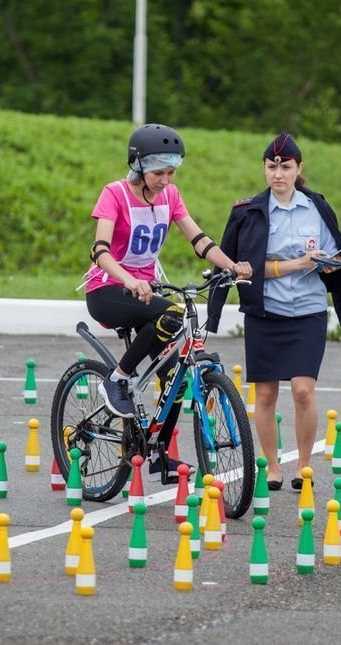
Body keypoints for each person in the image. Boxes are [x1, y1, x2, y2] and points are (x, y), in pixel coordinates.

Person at [84, 124, 252, 476]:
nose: (165, 180)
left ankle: (158, 453)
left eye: (171, 172)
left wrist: (231, 266)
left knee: (174, 371)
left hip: (146, 291)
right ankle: (118, 379)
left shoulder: (170, 197)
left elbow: (199, 240)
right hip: (108, 289)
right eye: (158, 172)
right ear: (138, 165)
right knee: (172, 314)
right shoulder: (114, 194)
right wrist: (129, 279)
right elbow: (99, 251)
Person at [207, 131, 341, 491]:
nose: (278, 174)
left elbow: (337, 253)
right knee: (266, 394)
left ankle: (303, 465)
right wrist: (295, 263)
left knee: (303, 390)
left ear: (299, 168)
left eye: (286, 167)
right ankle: (272, 466)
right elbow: (240, 266)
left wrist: (327, 264)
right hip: (265, 313)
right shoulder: (248, 212)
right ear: (264, 169)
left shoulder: (317, 207)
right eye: (272, 167)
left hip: (307, 312)